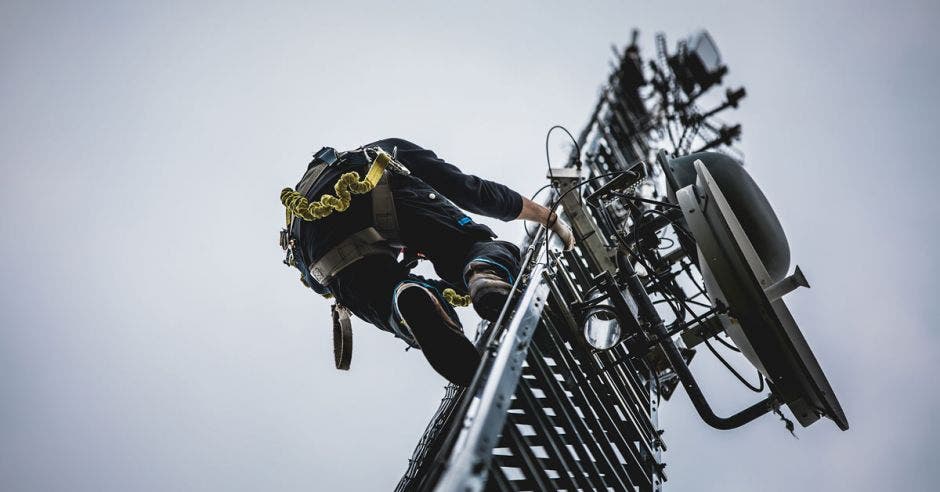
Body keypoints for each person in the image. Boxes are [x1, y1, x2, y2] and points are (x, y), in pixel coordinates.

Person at [279, 138, 573, 386]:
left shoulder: (305, 204)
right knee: (469, 248)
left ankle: (406, 298)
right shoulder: (383, 150)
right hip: (376, 185)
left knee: (387, 293)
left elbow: (326, 285)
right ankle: (484, 273)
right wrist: (546, 216)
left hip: (317, 250)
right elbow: (470, 190)